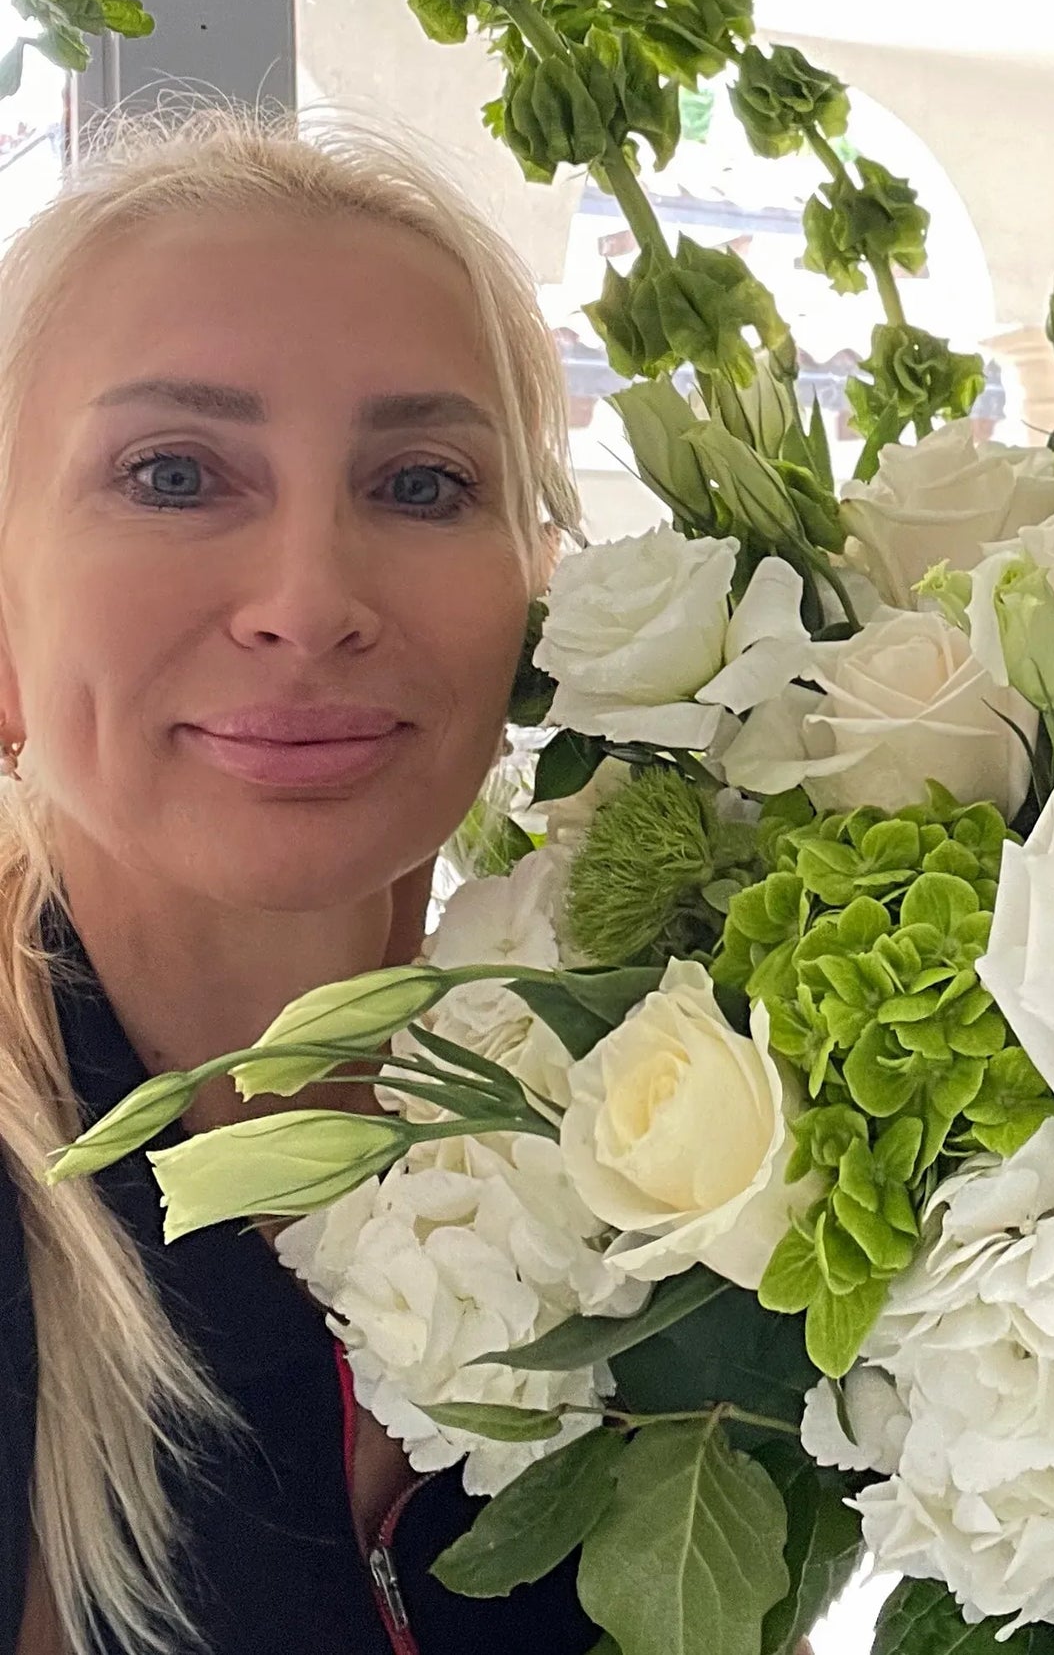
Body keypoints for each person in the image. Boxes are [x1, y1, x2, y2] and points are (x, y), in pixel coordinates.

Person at [0, 101, 604, 1655]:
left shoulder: (653, 1130)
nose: (309, 601)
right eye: (176, 473)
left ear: (536, 612)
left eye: (418, 484)